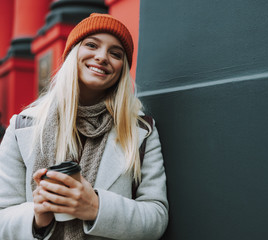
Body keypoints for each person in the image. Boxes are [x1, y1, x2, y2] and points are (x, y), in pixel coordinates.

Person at [0, 13, 168, 240]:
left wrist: (96, 207)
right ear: (72, 53)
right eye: (91, 45)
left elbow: (156, 218)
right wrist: (37, 217)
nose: (102, 57)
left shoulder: (141, 131)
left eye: (115, 54)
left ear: (122, 68)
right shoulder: (23, 127)